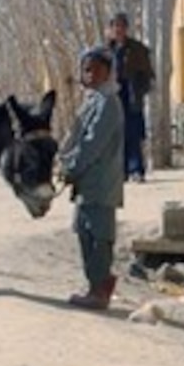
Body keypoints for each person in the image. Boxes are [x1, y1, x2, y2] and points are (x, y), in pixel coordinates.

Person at [59, 46, 125, 310]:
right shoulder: (92, 100)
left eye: (96, 69)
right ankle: (95, 285)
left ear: (108, 72)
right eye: (86, 70)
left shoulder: (109, 103)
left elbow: (93, 143)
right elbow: (74, 135)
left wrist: (73, 165)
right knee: (84, 232)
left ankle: (100, 289)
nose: (90, 75)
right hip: (86, 182)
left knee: (99, 235)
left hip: (101, 181)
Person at [106, 11, 155, 183]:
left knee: (133, 133)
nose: (118, 30)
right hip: (112, 96)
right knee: (116, 134)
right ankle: (121, 170)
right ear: (111, 28)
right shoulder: (106, 50)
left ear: (126, 28)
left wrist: (140, 89)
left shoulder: (137, 49)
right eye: (115, 26)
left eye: (121, 26)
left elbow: (148, 74)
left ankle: (136, 169)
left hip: (131, 95)